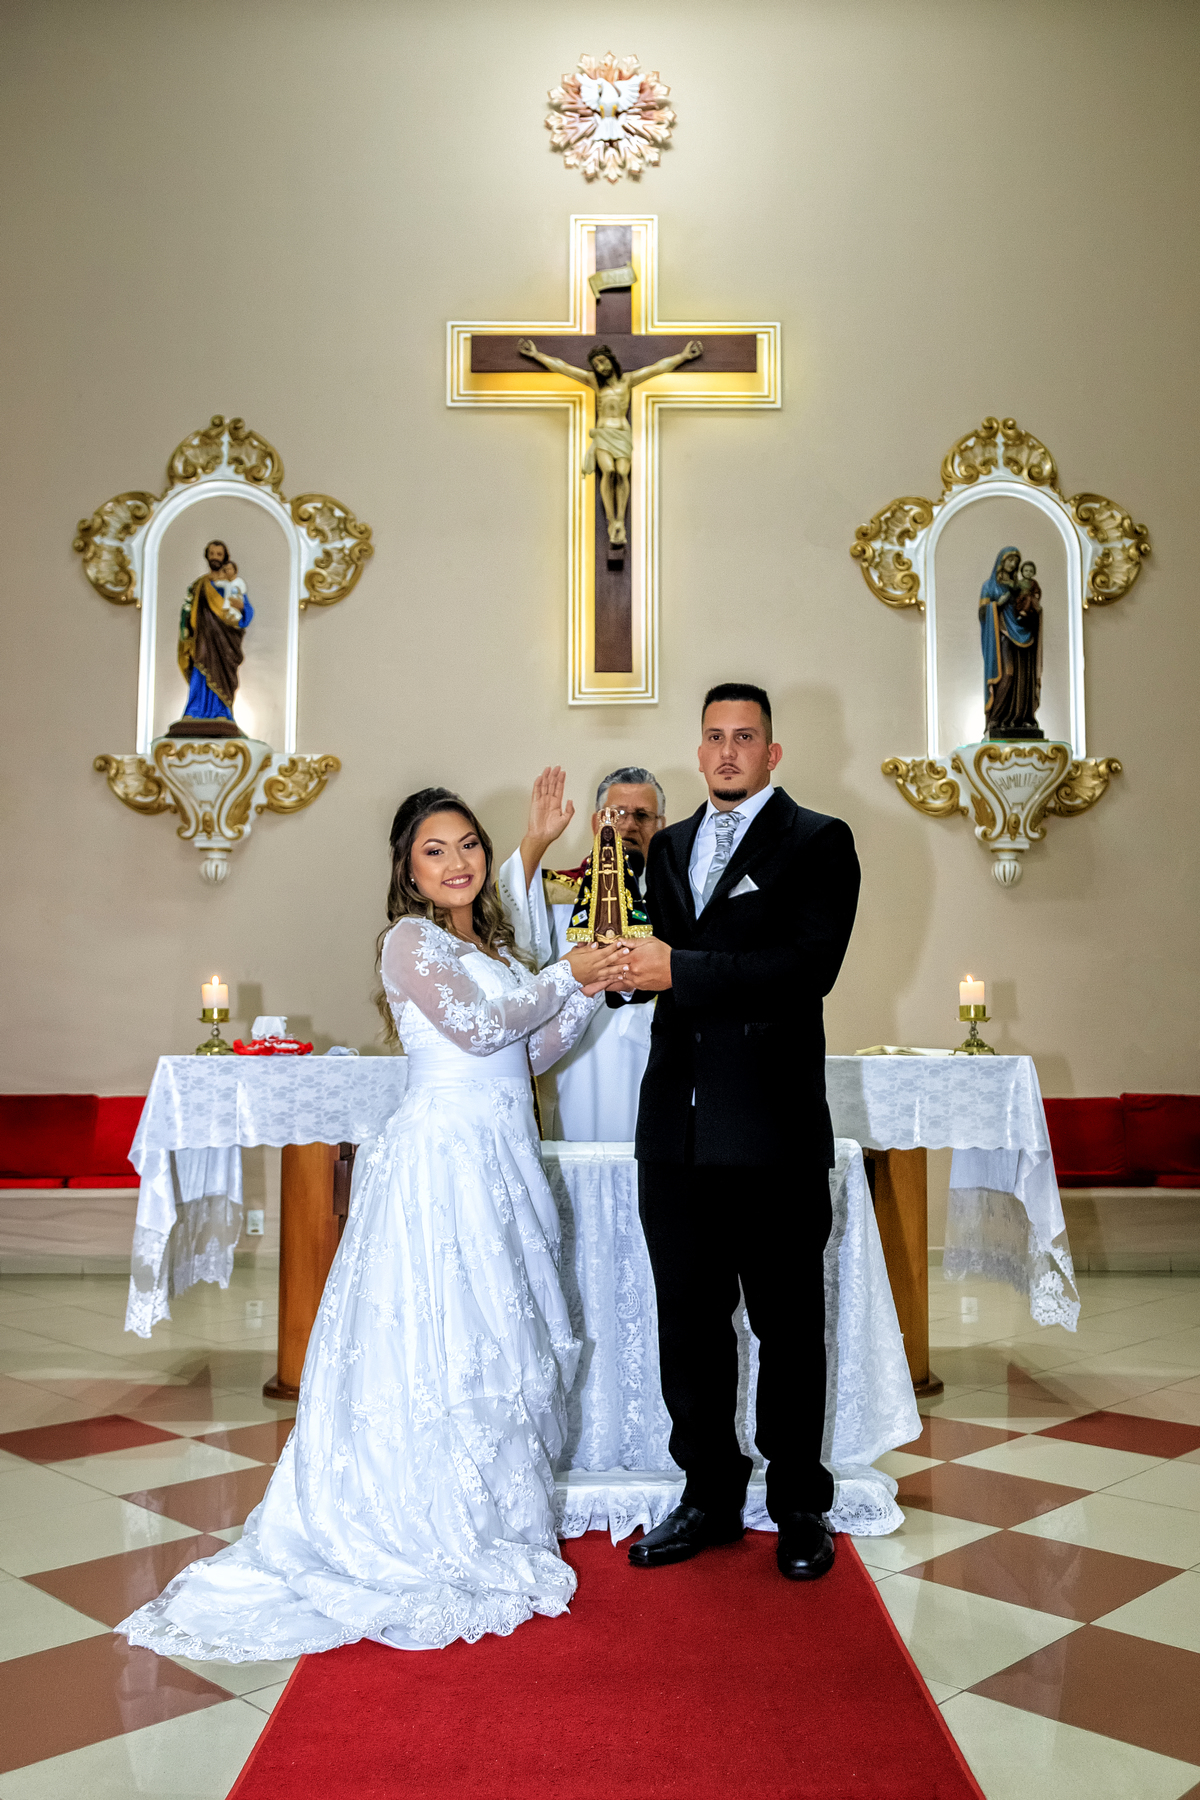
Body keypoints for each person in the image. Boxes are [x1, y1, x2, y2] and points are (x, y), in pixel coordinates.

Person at [117, 788, 623, 1658]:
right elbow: (478, 1030)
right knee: (442, 1332)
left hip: (502, 1154)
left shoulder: (490, 945)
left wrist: (583, 989)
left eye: (469, 845)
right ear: (408, 868)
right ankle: (414, 1519)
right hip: (442, 1162)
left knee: (500, 1336)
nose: (459, 861)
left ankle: (491, 1511)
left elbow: (529, 1049)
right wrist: (566, 974)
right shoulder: (408, 942)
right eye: (436, 850)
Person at [609, 683, 860, 1581]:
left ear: (772, 753)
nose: (725, 752)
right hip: (673, 1132)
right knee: (690, 1325)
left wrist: (677, 967)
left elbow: (805, 968)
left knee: (790, 1327)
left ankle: (799, 1505)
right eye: (712, 736)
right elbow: (647, 967)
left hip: (773, 1128)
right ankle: (708, 1496)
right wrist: (617, 970)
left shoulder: (819, 842)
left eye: (743, 737)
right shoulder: (668, 847)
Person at [498, 765, 667, 1138]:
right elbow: (510, 920)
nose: (627, 825)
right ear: (596, 823)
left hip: (658, 1063)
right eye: (616, 813)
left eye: (642, 815)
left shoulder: (677, 899)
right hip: (577, 1066)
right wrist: (536, 841)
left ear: (662, 824)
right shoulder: (560, 893)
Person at [516, 339, 702, 547]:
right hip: (604, 434)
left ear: (612, 361)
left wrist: (683, 356)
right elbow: (563, 368)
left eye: (603, 362)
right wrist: (536, 355)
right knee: (609, 471)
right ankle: (611, 521)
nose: (600, 368)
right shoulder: (594, 382)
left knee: (622, 474)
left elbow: (657, 368)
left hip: (622, 435)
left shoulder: (628, 381)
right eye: (596, 365)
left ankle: (620, 520)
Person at [172, 538, 254, 735]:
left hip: (225, 641)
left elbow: (246, 611)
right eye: (212, 554)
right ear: (207, 557)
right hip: (203, 639)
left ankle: (222, 711)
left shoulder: (233, 585)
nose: (215, 558)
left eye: (219, 554)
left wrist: (242, 608)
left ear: (225, 558)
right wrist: (186, 631)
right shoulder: (199, 585)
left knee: (223, 675)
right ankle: (194, 711)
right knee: (200, 672)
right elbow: (187, 611)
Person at [979, 545, 1043, 737]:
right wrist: (997, 605)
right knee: (1006, 674)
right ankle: (996, 719)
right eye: (1009, 560)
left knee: (1023, 676)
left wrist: (1034, 611)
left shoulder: (1020, 585)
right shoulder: (989, 586)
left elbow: (1031, 603)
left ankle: (1021, 718)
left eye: (1016, 561)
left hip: (1023, 632)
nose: (1013, 564)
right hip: (1003, 635)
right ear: (1001, 561)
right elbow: (983, 613)